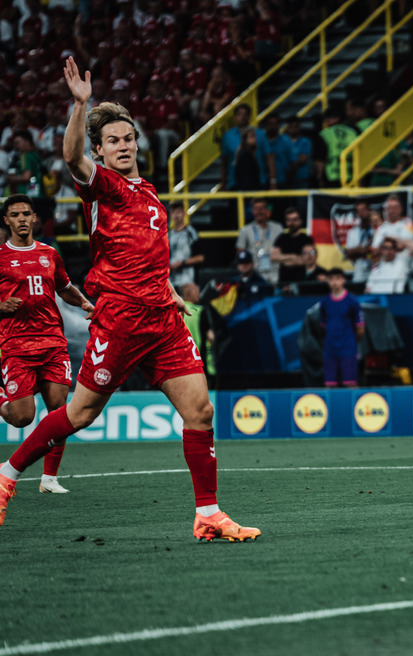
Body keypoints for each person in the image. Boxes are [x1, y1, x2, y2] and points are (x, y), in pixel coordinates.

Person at [0, 58, 260, 541]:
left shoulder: (152, 197)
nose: (123, 146)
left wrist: (167, 292)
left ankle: (208, 514)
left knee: (200, 411)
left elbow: (147, 256)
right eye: (113, 141)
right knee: (79, 414)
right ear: (100, 151)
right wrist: (80, 105)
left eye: (128, 139)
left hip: (162, 320)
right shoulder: (102, 187)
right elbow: (72, 155)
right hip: (118, 320)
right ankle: (7, 475)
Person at [0, 195, 93, 495]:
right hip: (16, 344)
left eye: (27, 213)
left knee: (59, 411)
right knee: (23, 417)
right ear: (7, 221)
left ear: (35, 218)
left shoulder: (49, 254)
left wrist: (84, 303)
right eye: (15, 215)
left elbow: (64, 288)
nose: (22, 219)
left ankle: (49, 479)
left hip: (53, 341)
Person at [320, 268, 363, 387]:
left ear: (343, 280)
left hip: (348, 349)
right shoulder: (325, 302)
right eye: (331, 279)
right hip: (330, 349)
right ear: (327, 281)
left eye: (337, 278)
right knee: (330, 385)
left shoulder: (352, 301)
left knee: (350, 384)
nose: (334, 282)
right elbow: (323, 326)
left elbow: (360, 329)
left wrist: (351, 343)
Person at [219, 102, 276, 192]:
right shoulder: (227, 136)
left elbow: (270, 157)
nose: (243, 117)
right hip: (235, 183)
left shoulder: (260, 134)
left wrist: (273, 181)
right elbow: (224, 161)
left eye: (246, 114)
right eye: (240, 114)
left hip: (257, 181)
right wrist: (223, 183)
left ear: (249, 116)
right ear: (235, 117)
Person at [236, 198, 284, 285]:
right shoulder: (245, 230)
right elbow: (240, 253)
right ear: (252, 211)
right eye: (256, 209)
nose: (259, 212)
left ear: (267, 210)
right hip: (254, 275)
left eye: (262, 208)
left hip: (276, 273)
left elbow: (284, 249)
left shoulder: (278, 228)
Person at [271, 205, 313, 285]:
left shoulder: (307, 239)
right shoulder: (282, 238)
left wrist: (284, 259)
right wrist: (293, 257)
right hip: (283, 283)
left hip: (301, 283)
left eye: (295, 220)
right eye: (289, 220)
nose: (292, 223)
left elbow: (305, 260)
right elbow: (273, 256)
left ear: (300, 221)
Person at [168, 202, 204, 288]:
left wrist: (182, 263)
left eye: (178, 212)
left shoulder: (191, 233)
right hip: (172, 279)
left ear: (184, 213)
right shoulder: (169, 235)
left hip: (188, 279)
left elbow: (200, 258)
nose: (176, 215)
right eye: (173, 212)